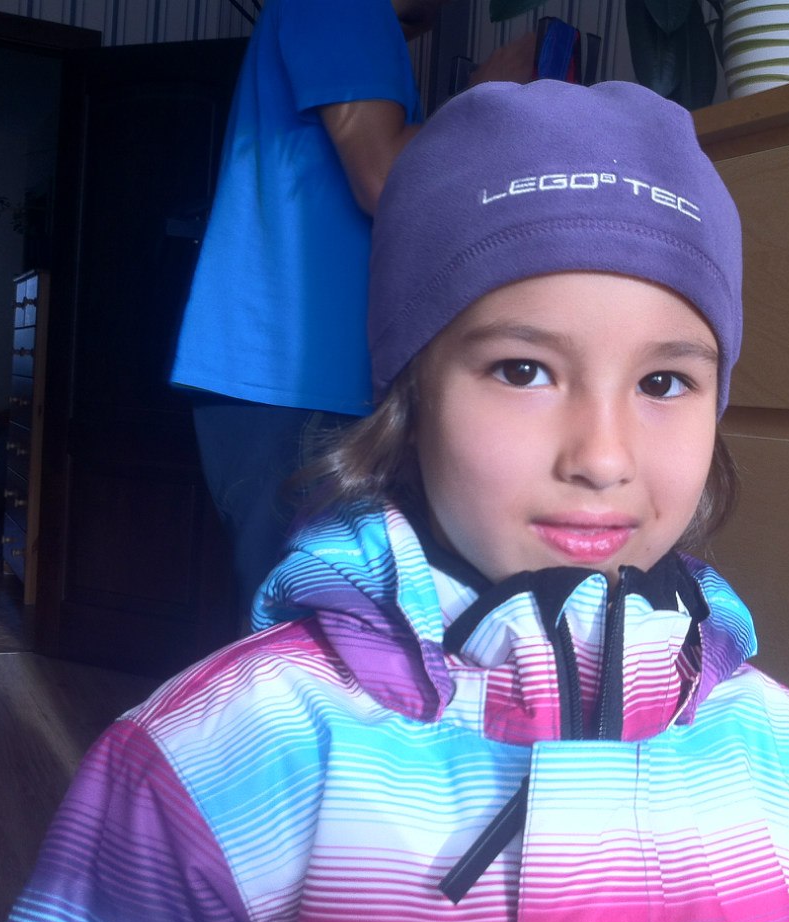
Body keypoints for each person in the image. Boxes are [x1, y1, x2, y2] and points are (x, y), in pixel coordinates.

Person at [0, 80, 789, 922]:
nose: (603, 458)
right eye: (524, 370)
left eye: (664, 382)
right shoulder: (219, 760)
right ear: (410, 400)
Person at [170, 0, 534, 610]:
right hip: (300, 381)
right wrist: (487, 97)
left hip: (286, 380)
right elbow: (383, 176)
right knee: (316, 620)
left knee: (318, 610)